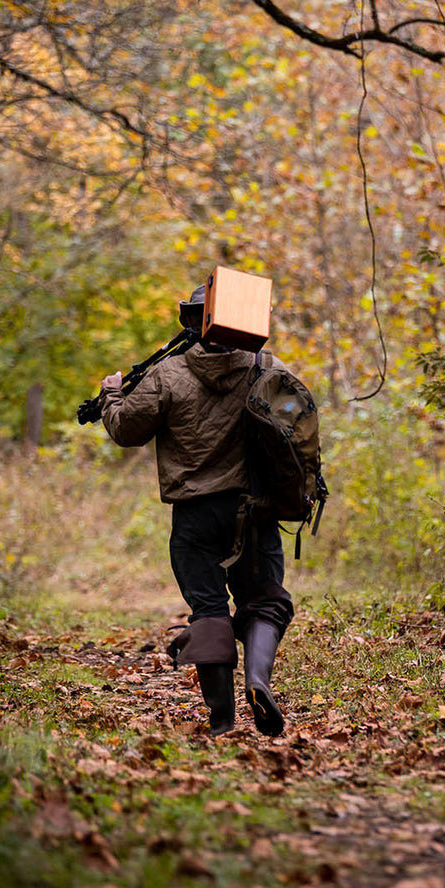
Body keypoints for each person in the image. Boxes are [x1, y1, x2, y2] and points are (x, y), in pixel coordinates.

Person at [97, 281, 293, 736]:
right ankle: (258, 680)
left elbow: (126, 430)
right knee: (264, 602)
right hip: (256, 512)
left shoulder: (167, 374)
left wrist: (110, 394)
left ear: (194, 322)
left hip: (195, 517)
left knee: (209, 610)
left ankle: (223, 721)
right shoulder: (268, 368)